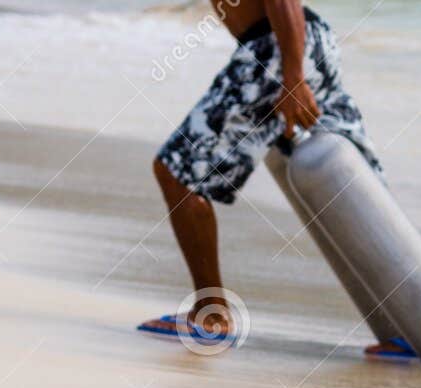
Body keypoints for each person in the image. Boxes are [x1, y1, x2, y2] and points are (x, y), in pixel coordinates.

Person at [139, 1, 391, 353]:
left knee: (178, 172)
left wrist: (292, 76)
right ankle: (419, 328)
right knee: (360, 184)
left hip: (275, 50)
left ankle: (210, 316)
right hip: (308, 43)